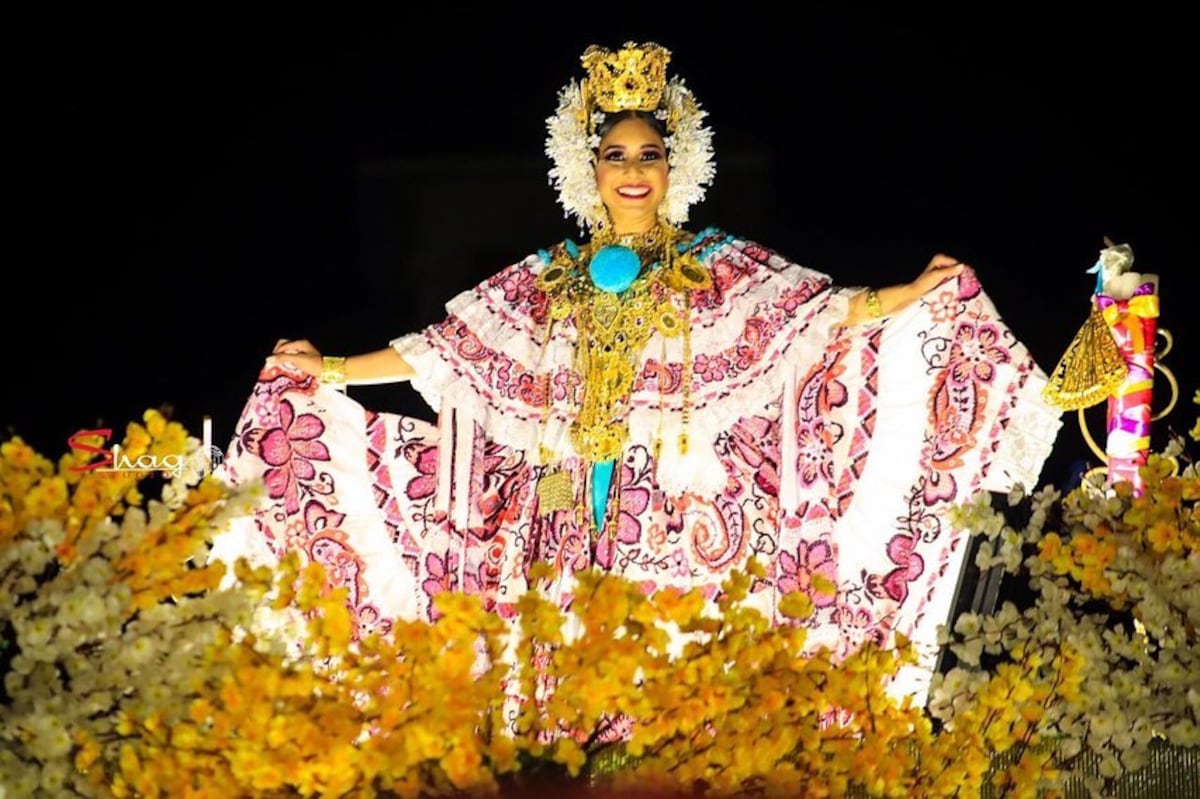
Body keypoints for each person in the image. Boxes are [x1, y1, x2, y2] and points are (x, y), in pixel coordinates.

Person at [208, 42, 1062, 703]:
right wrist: (334, 370)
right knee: (564, 680)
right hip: (564, 506)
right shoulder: (548, 276)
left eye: (647, 154)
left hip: (688, 510)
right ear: (590, 170)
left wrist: (908, 293)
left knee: (676, 683)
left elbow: (819, 310)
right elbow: (444, 352)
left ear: (672, 167)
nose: (631, 171)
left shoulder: (717, 264)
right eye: (615, 156)